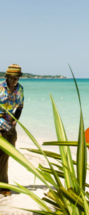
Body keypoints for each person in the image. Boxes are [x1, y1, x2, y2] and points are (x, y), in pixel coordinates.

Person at [0, 64, 24, 197]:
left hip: (10, 125)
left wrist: (15, 121)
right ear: (7, 77)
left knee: (7, 153)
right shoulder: (0, 87)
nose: (15, 80)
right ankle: (4, 186)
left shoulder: (20, 89)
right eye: (13, 78)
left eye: (17, 78)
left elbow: (20, 107)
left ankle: (3, 184)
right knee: (1, 154)